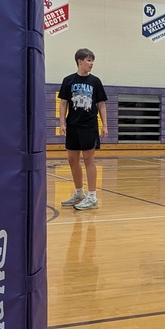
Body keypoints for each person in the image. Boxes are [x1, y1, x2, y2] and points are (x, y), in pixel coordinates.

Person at [58, 48, 108, 211]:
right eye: (88, 60)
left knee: (88, 160)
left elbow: (101, 104)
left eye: (92, 60)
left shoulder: (95, 81)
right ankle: (79, 193)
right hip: (73, 125)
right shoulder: (68, 80)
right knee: (72, 159)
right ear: (80, 61)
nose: (91, 63)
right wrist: (62, 123)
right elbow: (64, 102)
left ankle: (92, 197)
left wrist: (104, 125)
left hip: (89, 126)